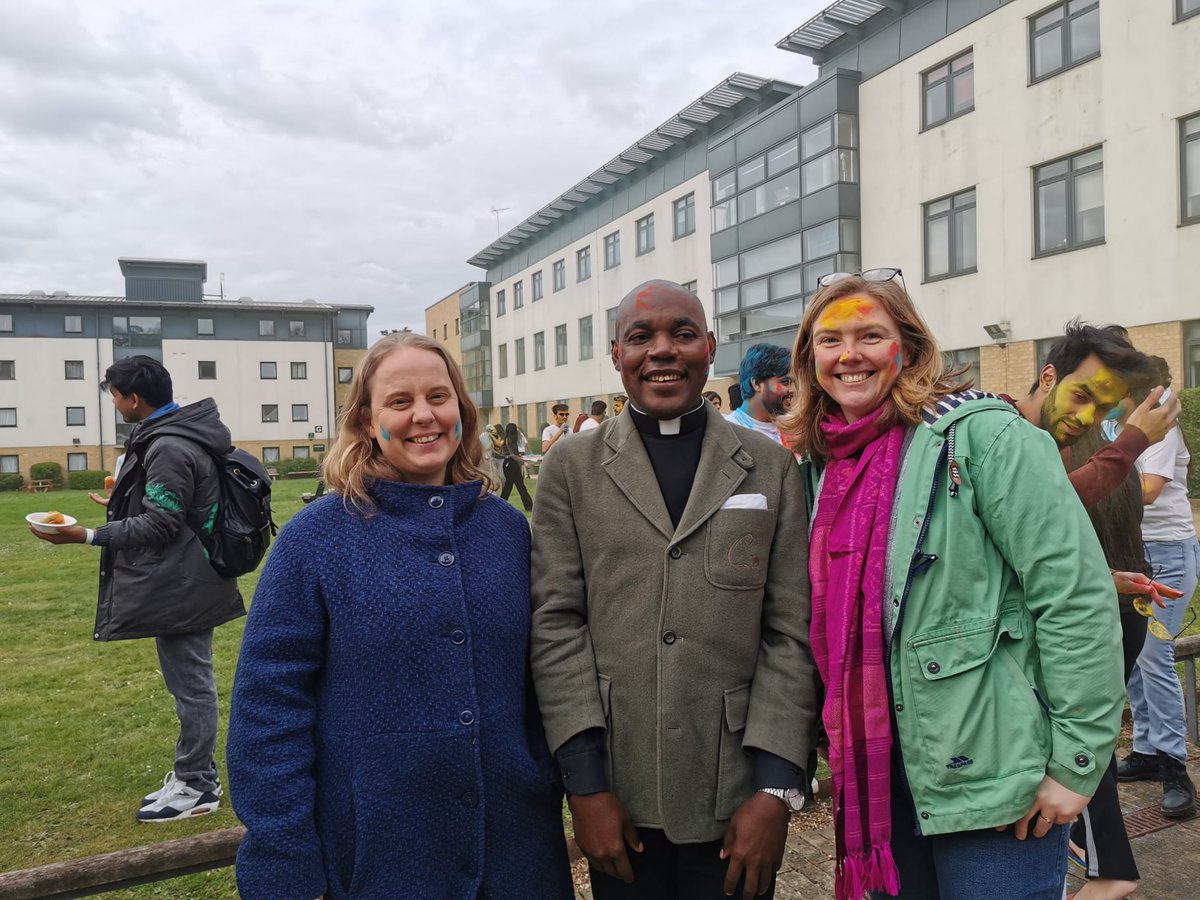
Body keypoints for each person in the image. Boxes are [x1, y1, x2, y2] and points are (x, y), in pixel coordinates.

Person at [783, 275, 1123, 900]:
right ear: (810, 360)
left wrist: (1077, 764)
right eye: (829, 340)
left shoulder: (985, 437)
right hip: (880, 777)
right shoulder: (817, 466)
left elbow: (1074, 596)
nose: (848, 354)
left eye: (870, 336)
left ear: (907, 348)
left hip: (992, 776)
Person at [226, 332, 572, 900]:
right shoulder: (315, 542)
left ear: (461, 409)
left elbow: (545, 672)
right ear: (366, 420)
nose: (423, 416)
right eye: (400, 402)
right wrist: (283, 859)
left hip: (516, 852)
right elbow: (268, 709)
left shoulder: (506, 531)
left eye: (439, 397)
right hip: (378, 858)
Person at [531, 280, 816, 900]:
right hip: (619, 790)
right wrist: (585, 786)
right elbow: (556, 624)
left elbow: (790, 632)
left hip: (734, 791)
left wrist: (774, 791)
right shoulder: (570, 469)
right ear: (616, 355)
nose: (663, 351)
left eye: (682, 334)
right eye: (641, 337)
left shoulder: (771, 468)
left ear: (710, 348)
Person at [30, 355, 244, 822]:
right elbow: (174, 504)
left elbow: (161, 523)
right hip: (186, 577)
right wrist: (123, 498)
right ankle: (197, 775)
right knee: (188, 682)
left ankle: (196, 787)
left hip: (185, 582)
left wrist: (87, 535)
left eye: (113, 395)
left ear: (133, 399)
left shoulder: (168, 444)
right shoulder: (174, 433)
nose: (113, 403)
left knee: (192, 686)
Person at [1011, 324, 1179, 898]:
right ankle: (1096, 867)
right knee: (1077, 739)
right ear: (1050, 375)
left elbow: (1055, 524)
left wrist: (1110, 579)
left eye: (1104, 405)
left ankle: (1105, 871)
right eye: (1085, 395)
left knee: (1077, 738)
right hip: (1091, 601)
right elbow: (1048, 517)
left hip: (1102, 604)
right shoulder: (1007, 431)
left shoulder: (1085, 439)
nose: (1088, 415)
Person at [1113, 368, 1199, 821]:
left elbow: (1147, 491)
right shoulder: (1114, 426)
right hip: (1132, 552)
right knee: (1131, 651)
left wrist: (1096, 478)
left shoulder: (1160, 426)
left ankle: (1174, 767)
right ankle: (1146, 748)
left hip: (1169, 554)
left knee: (1153, 654)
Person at [725, 343, 793, 446]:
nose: (793, 389)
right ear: (757, 384)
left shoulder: (794, 429)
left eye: (795, 383)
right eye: (785, 382)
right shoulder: (727, 432)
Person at [500, 420, 534, 511]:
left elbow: (515, 454)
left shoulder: (510, 440)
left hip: (511, 465)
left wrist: (522, 459)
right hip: (510, 465)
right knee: (518, 486)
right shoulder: (508, 441)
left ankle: (500, 505)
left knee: (510, 487)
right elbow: (512, 455)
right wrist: (523, 463)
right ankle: (529, 506)